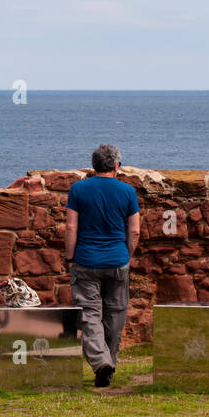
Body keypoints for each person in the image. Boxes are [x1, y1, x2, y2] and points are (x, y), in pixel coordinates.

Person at [64, 144, 139, 388]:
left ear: (94, 164)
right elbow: (135, 230)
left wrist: (70, 257)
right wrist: (126, 256)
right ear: (117, 165)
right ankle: (108, 363)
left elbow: (71, 227)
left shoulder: (78, 189)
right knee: (115, 315)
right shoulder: (128, 192)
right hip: (117, 260)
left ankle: (101, 363)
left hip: (86, 260)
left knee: (89, 315)